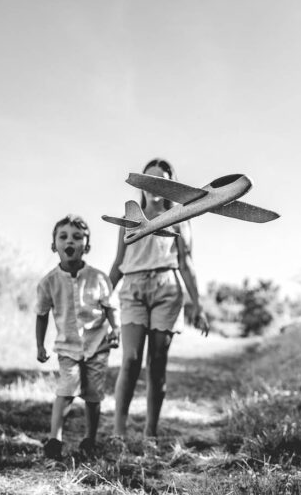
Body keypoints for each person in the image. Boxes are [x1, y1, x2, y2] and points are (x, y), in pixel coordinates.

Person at [109, 157, 210, 442]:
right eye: (150, 179)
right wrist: (103, 296)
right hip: (133, 289)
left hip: (167, 289)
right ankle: (119, 431)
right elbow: (118, 262)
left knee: (157, 362)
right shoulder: (129, 218)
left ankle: (150, 433)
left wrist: (198, 306)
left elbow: (186, 262)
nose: (155, 185)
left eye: (162, 180)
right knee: (130, 359)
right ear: (142, 184)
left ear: (171, 187)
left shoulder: (181, 217)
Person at [35, 214, 119, 459]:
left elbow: (110, 308)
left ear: (87, 245)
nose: (69, 241)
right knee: (67, 388)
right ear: (54, 245)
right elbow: (41, 314)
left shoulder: (99, 278)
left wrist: (115, 329)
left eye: (77, 237)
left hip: (97, 345)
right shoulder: (48, 282)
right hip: (67, 347)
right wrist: (40, 345)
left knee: (93, 394)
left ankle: (90, 439)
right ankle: (54, 439)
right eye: (63, 237)